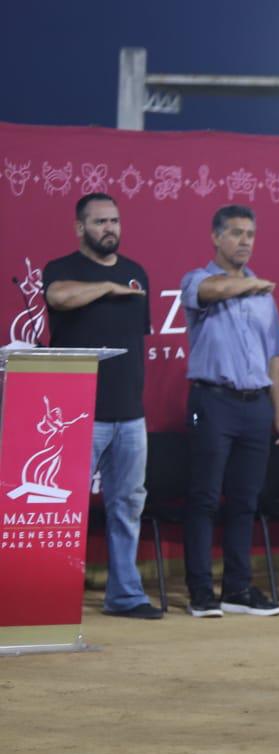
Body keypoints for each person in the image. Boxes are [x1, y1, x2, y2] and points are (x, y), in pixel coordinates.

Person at [42, 193, 159, 619]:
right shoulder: (63, 269)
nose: (110, 228)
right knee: (62, 509)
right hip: (75, 414)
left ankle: (125, 596)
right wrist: (107, 288)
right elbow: (58, 297)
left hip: (129, 414)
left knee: (127, 506)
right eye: (99, 222)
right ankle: (50, 595)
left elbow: (137, 343)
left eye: (115, 220)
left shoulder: (136, 273)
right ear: (80, 228)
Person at [178, 204, 279, 618]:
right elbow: (212, 292)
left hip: (256, 407)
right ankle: (200, 591)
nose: (245, 240)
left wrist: (278, 414)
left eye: (250, 233)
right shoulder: (198, 279)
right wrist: (250, 286)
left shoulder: (263, 294)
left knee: (246, 501)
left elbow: (275, 359)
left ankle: (237, 589)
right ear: (215, 237)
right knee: (205, 498)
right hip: (212, 402)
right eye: (235, 233)